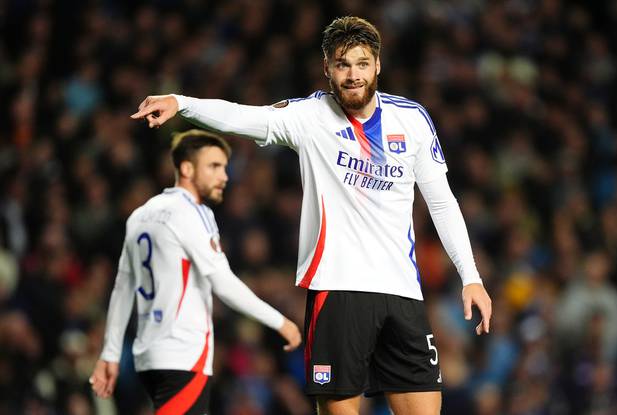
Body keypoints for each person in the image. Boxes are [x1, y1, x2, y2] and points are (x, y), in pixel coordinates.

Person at [130, 16, 492, 415]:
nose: (352, 75)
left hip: (401, 293)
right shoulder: (309, 117)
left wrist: (470, 276)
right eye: (342, 64)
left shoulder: (412, 120)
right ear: (327, 69)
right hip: (337, 292)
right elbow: (242, 117)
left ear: (377, 66)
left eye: (361, 63)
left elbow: (441, 202)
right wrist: (182, 104)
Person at [89, 130, 301, 414]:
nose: (223, 176)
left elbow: (123, 288)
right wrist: (279, 321)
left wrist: (111, 352)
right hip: (183, 351)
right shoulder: (193, 213)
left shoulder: (141, 214)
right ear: (187, 169)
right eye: (213, 166)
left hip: (149, 354)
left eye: (224, 167)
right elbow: (223, 283)